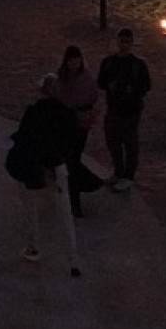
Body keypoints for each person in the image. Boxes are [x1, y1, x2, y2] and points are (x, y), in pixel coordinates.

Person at [7, 74, 83, 277]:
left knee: (30, 209)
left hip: (32, 167)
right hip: (56, 168)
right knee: (65, 214)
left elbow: (23, 138)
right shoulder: (67, 115)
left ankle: (33, 246)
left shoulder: (33, 112)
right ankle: (73, 260)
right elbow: (72, 144)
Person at [98, 30, 153, 192]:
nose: (124, 45)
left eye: (127, 41)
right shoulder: (108, 62)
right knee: (113, 142)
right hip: (113, 108)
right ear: (117, 42)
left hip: (131, 110)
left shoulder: (138, 64)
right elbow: (101, 82)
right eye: (122, 41)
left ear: (132, 43)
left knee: (129, 143)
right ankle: (118, 171)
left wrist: (132, 91)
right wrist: (110, 85)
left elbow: (146, 86)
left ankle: (128, 176)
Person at [53, 46, 104, 216]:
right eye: (71, 60)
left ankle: (78, 196)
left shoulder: (86, 79)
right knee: (71, 160)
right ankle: (87, 185)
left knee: (72, 160)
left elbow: (92, 100)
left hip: (80, 125)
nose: (74, 64)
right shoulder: (62, 78)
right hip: (65, 125)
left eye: (76, 60)